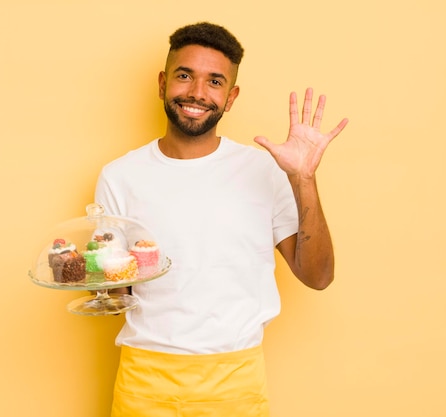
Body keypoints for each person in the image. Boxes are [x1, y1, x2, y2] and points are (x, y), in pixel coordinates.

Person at [94, 21, 348, 417]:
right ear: (162, 83)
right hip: (144, 379)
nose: (197, 93)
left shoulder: (264, 171)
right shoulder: (119, 176)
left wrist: (303, 179)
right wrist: (93, 275)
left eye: (215, 82)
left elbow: (318, 277)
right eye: (184, 76)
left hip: (236, 382)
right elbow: (115, 291)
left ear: (231, 97)